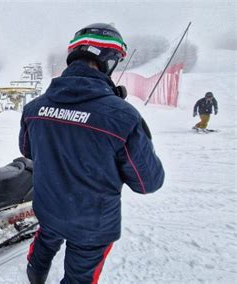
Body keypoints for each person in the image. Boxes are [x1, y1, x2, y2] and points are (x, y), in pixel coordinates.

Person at [19, 23, 165, 284]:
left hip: (48, 208)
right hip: (92, 224)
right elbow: (147, 182)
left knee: (43, 248)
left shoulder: (34, 108)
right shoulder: (122, 116)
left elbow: (28, 151)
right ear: (108, 61)